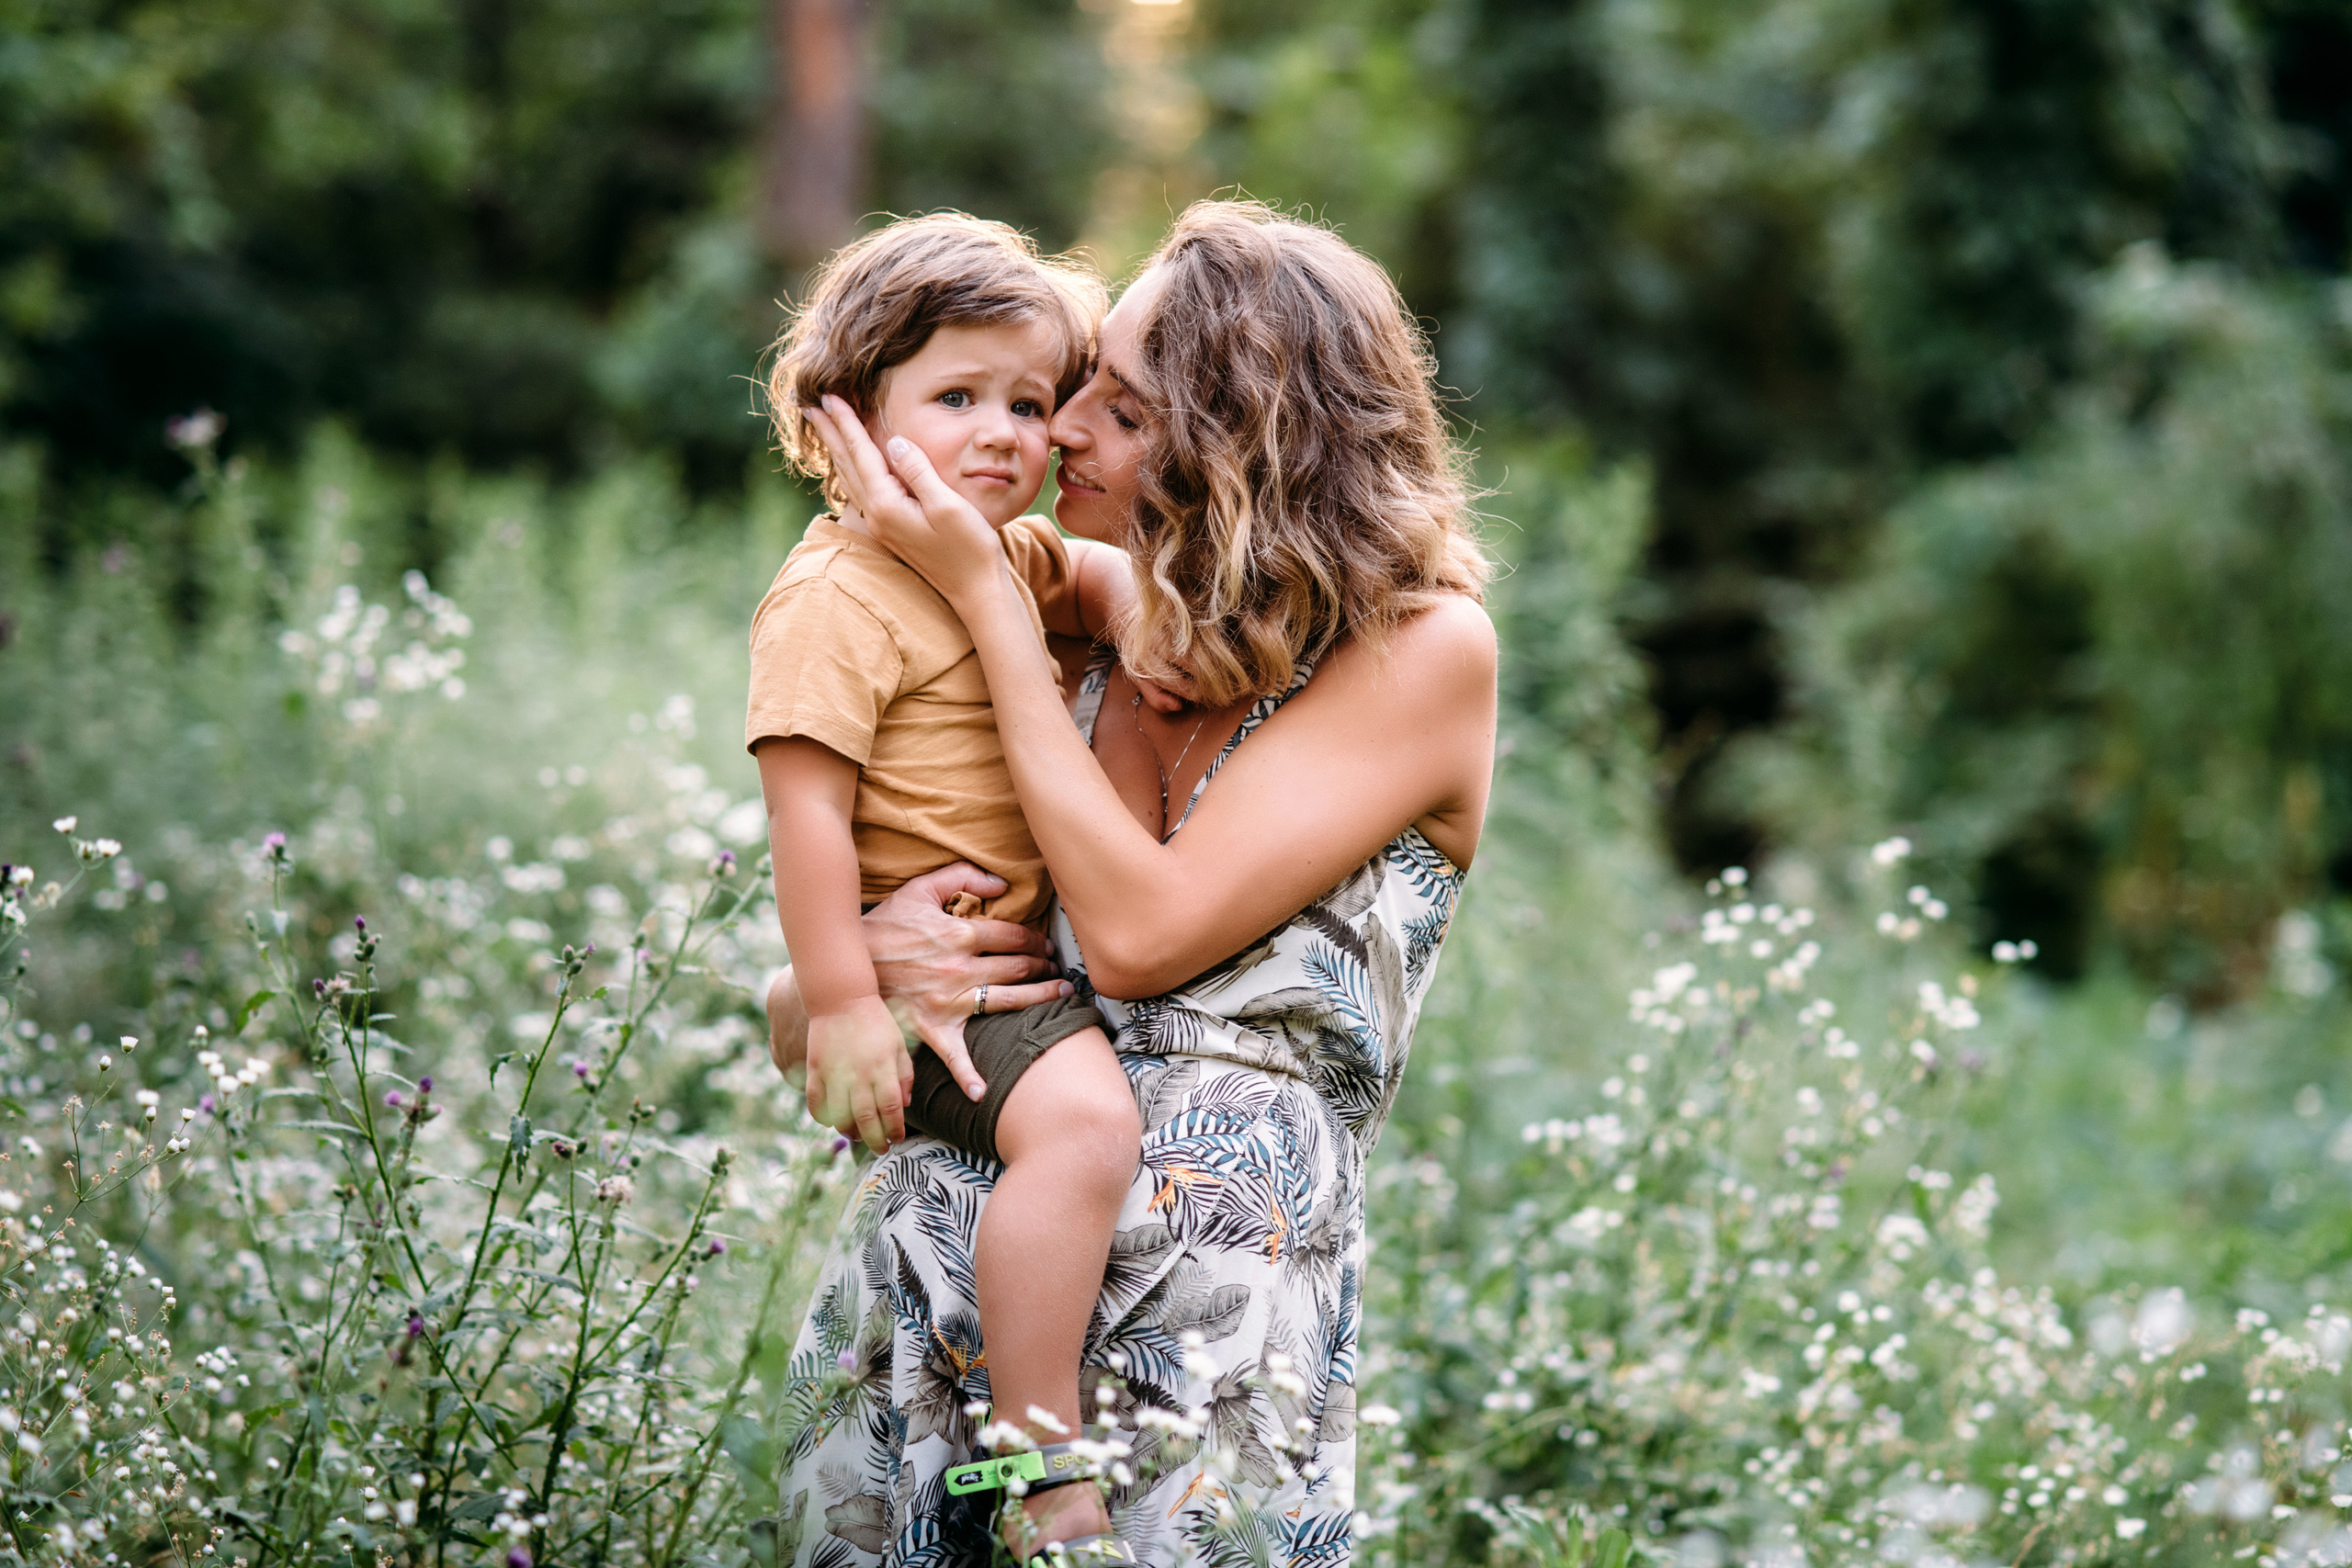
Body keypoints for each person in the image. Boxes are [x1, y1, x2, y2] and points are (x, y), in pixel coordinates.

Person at [765, 199, 1498, 1568]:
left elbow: (1144, 933)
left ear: (1240, 443)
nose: (1059, 430)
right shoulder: (1087, 643)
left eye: (1116, 400)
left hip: (1212, 1337)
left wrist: (987, 601)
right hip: (938, 1285)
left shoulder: (1422, 652)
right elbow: (836, 998)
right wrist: (841, 972)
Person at [745, 213, 1148, 1563]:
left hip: (993, 974)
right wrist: (847, 1002)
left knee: (1081, 1138)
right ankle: (1042, 1466)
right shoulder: (836, 596)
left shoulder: (1014, 561)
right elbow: (805, 815)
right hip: (934, 989)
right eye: (957, 396)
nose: (1004, 434)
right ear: (847, 421)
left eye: (1031, 403)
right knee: (1088, 1134)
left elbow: (1130, 591)